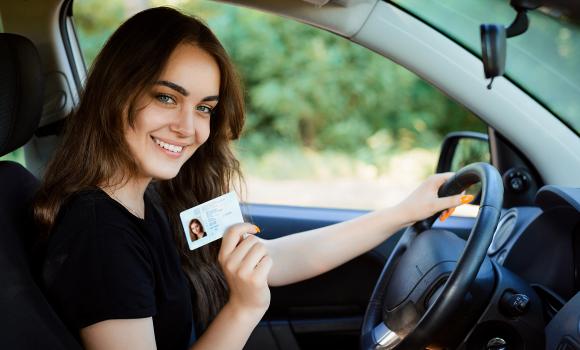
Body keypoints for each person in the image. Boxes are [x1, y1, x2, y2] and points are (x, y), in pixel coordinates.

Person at [33, 6, 471, 350]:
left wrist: (402, 212)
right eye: (167, 97)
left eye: (204, 107)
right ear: (115, 94)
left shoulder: (154, 195)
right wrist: (243, 309)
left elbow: (269, 260)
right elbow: (254, 284)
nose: (189, 127)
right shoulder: (99, 234)